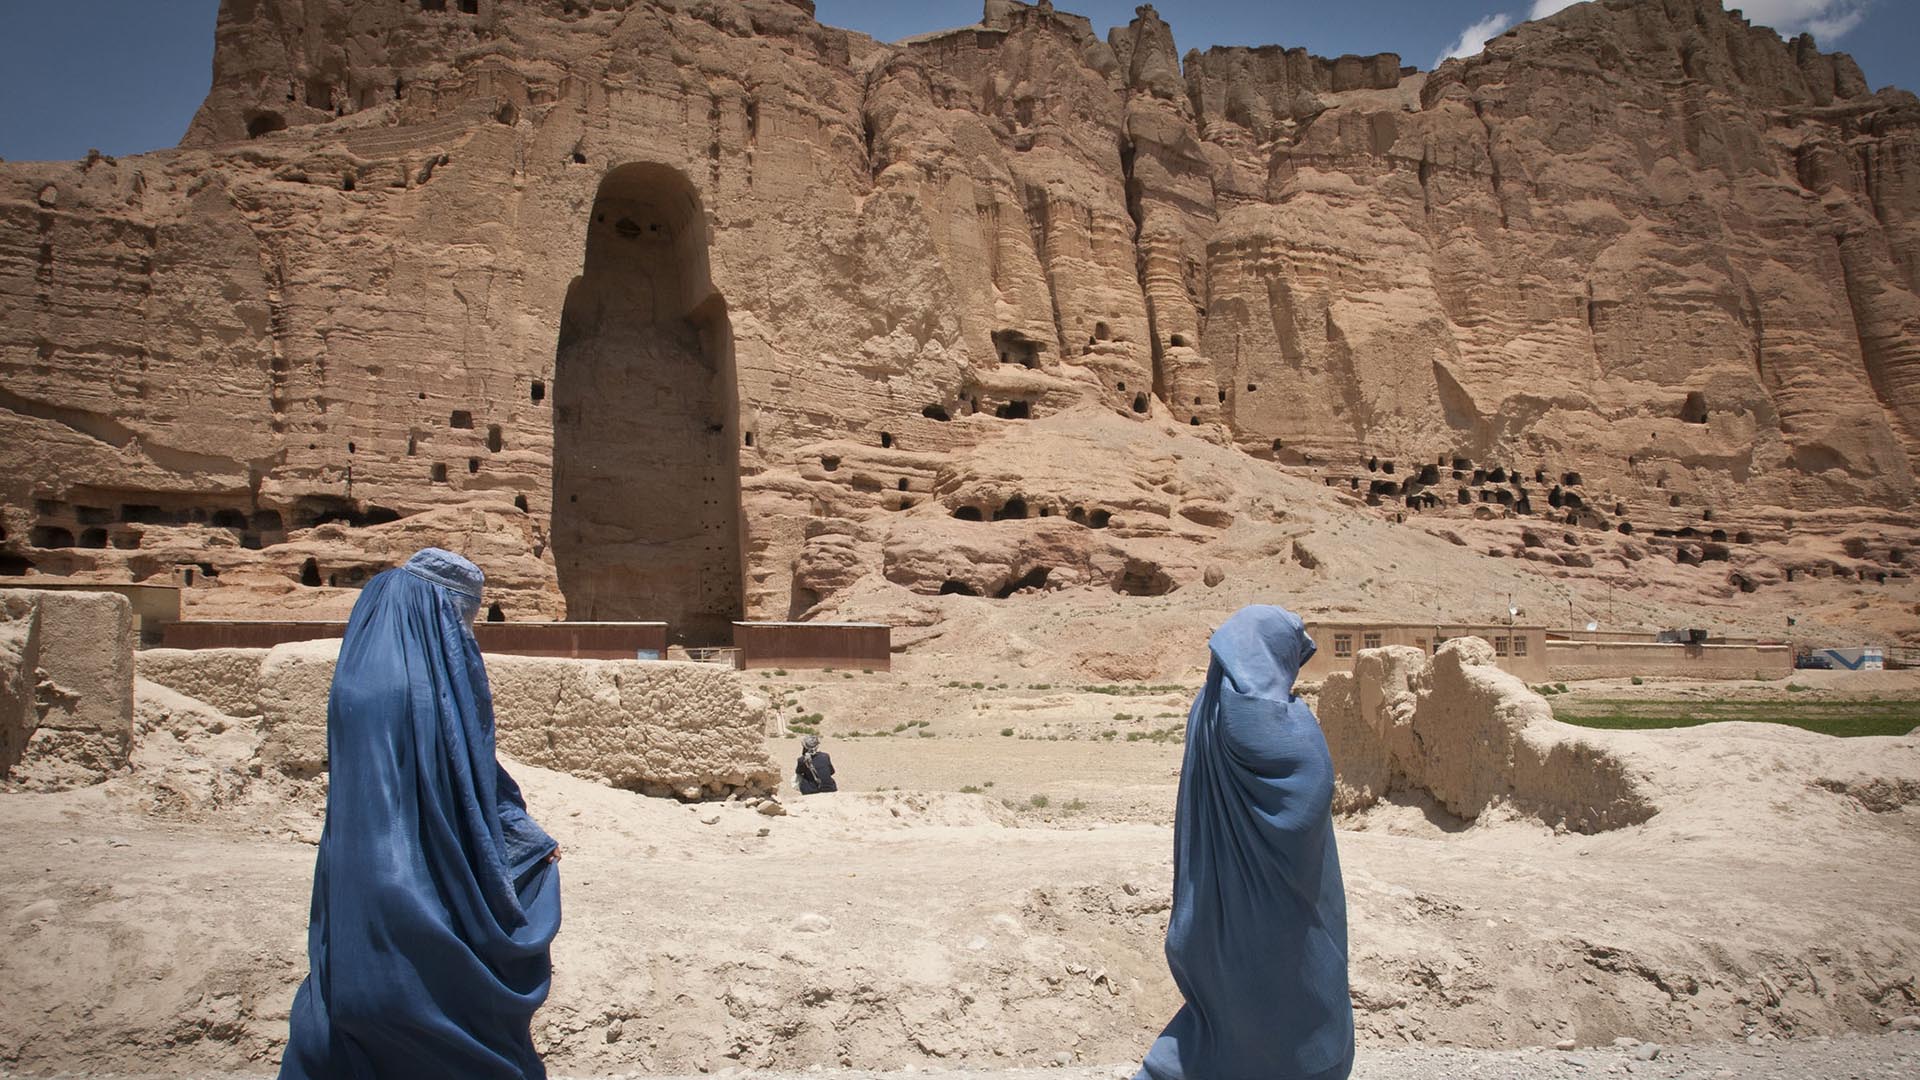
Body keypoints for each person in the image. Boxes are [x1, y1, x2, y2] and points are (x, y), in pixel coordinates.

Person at [280, 548, 562, 1080]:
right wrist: (528, 842)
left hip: (351, 880)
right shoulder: (420, 689)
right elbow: (464, 778)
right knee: (431, 1010)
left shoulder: (360, 673)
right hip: (412, 886)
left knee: (346, 1012)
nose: (465, 631)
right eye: (462, 615)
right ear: (438, 608)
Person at [1135, 605, 1353, 1080]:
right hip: (1281, 921)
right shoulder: (1272, 720)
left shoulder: (1208, 709)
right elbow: (1304, 805)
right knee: (1294, 1025)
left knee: (1218, 1028)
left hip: (1209, 917)